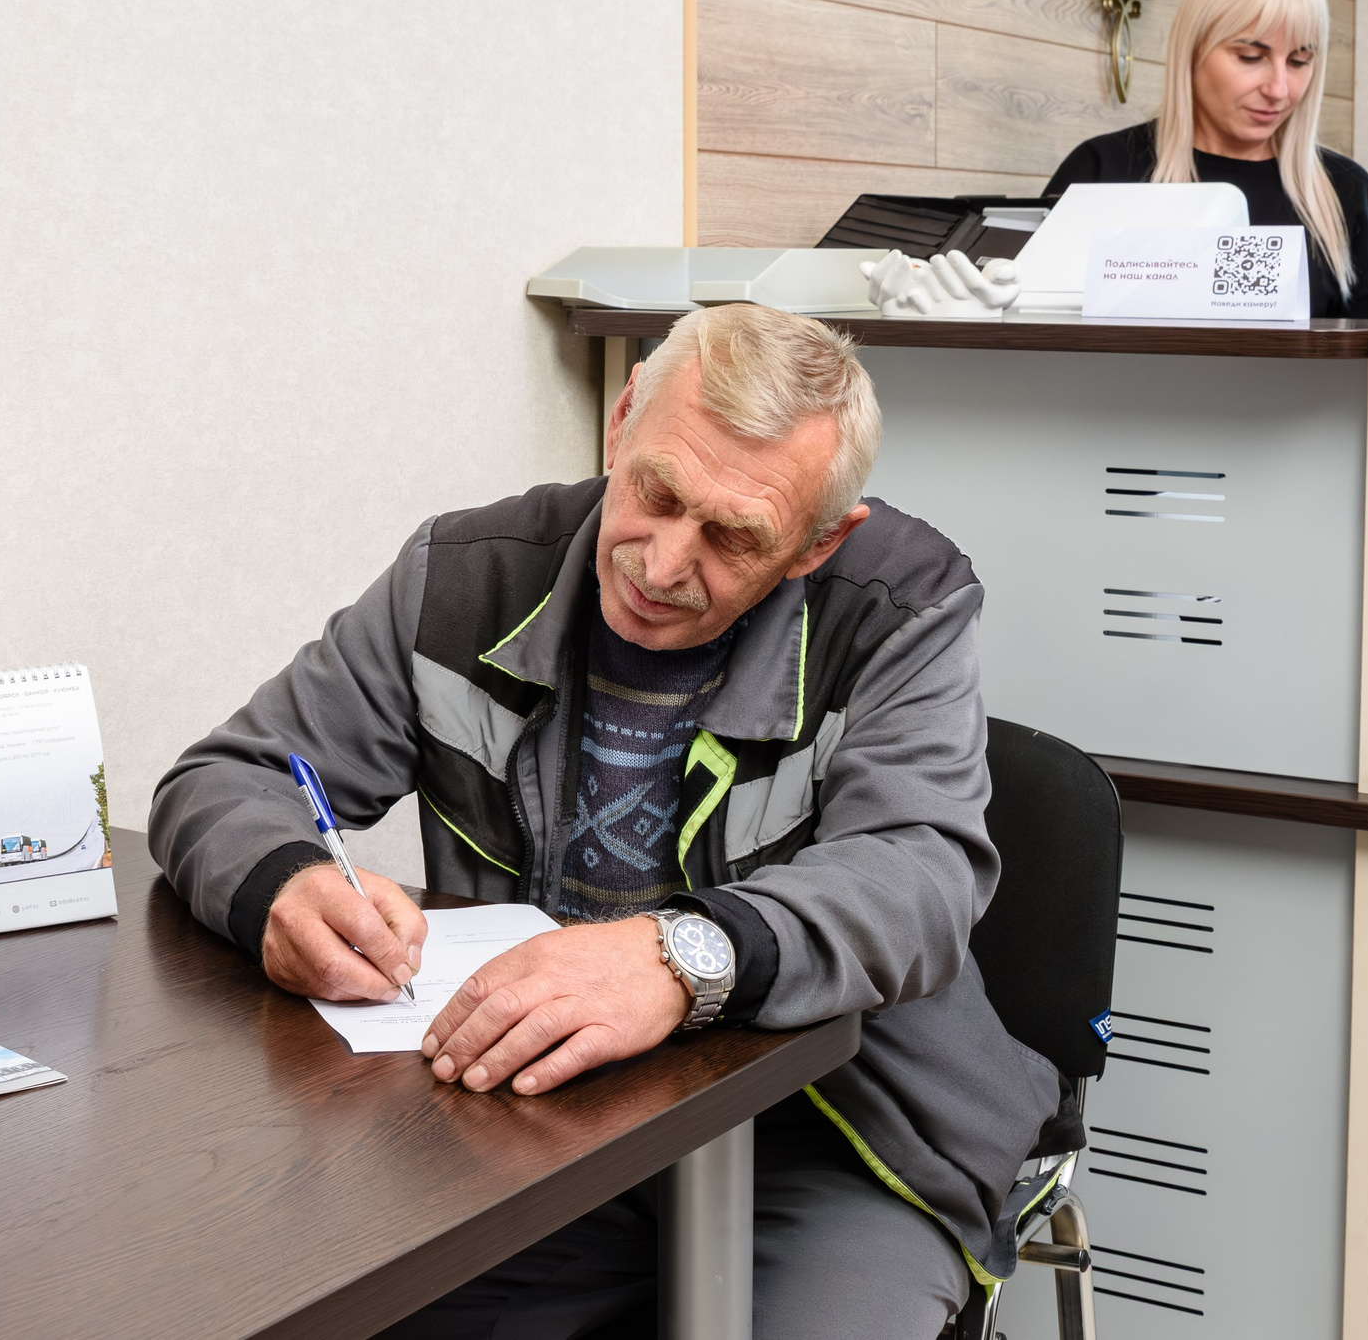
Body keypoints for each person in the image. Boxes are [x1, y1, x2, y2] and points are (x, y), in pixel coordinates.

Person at [149, 303, 1060, 1339]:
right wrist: (281, 881)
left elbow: (919, 876)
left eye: (731, 535)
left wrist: (682, 957)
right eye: (656, 492)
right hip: (543, 1125)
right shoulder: (461, 575)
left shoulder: (901, 607)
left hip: (834, 1134)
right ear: (622, 419)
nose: (662, 563)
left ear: (816, 542)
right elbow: (230, 776)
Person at [1046, 0, 1368, 319]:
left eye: (1299, 61)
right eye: (1251, 57)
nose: (1278, 89)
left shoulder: (1346, 193)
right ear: (1193, 49)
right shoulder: (1103, 172)